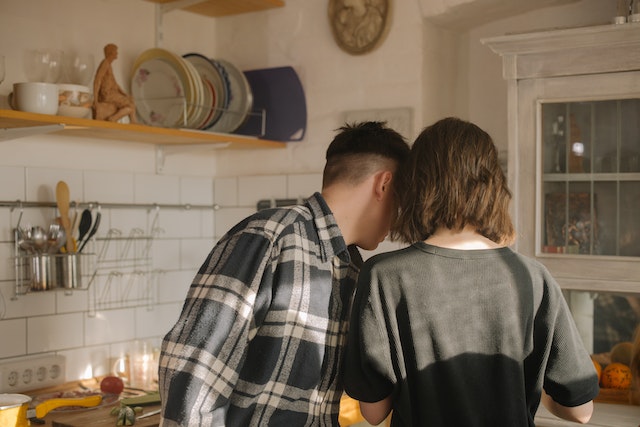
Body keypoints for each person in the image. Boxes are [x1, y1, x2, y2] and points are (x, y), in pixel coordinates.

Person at [343, 117, 600, 426]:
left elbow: (373, 413)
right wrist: (532, 389)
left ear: (415, 185)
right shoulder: (533, 277)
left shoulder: (383, 277)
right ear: (493, 185)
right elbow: (581, 412)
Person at [158, 121, 409, 426]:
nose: (398, 220)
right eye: (401, 199)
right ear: (384, 184)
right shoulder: (269, 237)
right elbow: (193, 366)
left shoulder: (352, 267)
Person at [92, 43, 137, 123]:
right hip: (108, 94)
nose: (117, 53)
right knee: (130, 105)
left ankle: (130, 121)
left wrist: (125, 94)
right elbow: (97, 81)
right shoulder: (105, 64)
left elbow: (115, 84)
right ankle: (114, 119)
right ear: (111, 53)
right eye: (116, 51)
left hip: (112, 93)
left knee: (131, 101)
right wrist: (95, 100)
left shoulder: (108, 64)